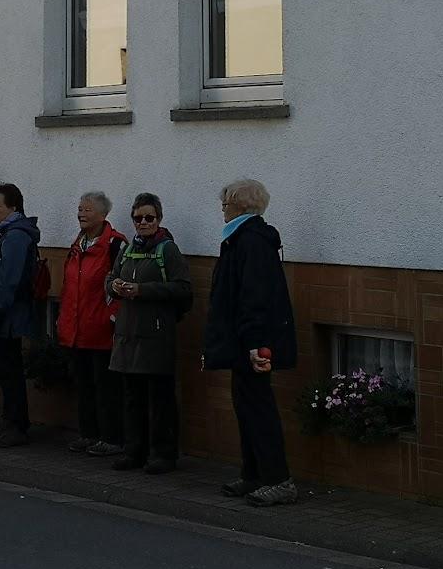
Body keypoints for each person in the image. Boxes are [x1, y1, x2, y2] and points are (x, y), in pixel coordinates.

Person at [203, 178, 298, 507]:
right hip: (241, 340)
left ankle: (278, 479)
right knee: (246, 407)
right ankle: (254, 473)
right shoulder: (240, 238)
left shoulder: (252, 241)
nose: (223, 209)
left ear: (242, 205)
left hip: (252, 342)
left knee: (259, 410)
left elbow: (255, 297)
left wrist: (256, 343)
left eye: (226, 203)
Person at [106, 193, 192, 473]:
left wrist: (143, 291)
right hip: (128, 334)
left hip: (156, 335)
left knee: (161, 398)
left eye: (149, 218)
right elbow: (110, 277)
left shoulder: (168, 250)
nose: (143, 223)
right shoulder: (128, 248)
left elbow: (183, 289)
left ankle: (164, 454)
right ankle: (134, 451)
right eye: (138, 218)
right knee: (132, 398)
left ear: (159, 219)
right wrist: (115, 285)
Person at [57, 191, 126, 457]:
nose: (81, 214)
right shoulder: (78, 244)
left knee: (106, 386)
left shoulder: (115, 245)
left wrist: (112, 317)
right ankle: (88, 433)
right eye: (79, 209)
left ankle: (112, 437)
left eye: (87, 210)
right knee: (84, 384)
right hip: (76, 328)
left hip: (101, 328)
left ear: (103, 215)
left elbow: (119, 285)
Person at [0, 183, 40, 448]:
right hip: (4, 315)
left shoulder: (15, 236)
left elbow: (8, 280)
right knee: (4, 370)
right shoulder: (7, 233)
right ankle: (11, 422)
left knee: (8, 370)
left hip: (7, 317)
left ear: (13, 208)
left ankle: (16, 425)